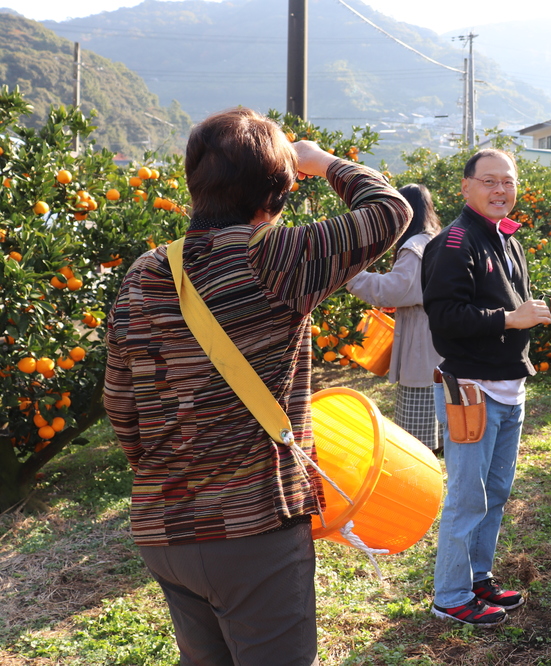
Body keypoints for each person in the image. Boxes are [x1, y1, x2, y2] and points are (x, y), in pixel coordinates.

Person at [103, 107, 411, 666]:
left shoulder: (144, 272)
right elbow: (390, 210)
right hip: (252, 528)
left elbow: (120, 405)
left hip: (164, 529)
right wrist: (323, 162)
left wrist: (169, 477)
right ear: (278, 190)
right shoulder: (275, 256)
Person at [421, 148, 551, 628]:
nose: (499, 190)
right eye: (488, 181)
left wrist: (542, 307)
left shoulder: (506, 239)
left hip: (509, 385)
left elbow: (507, 306)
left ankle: (477, 577)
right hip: (472, 388)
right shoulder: (453, 243)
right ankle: (449, 594)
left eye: (507, 182)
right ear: (466, 187)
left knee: (496, 490)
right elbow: (444, 318)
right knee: (468, 495)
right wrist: (511, 318)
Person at [346, 184, 444, 451]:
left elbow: (395, 292)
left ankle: (422, 472)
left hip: (422, 344)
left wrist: (350, 275)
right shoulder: (436, 239)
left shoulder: (414, 247)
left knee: (416, 435)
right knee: (439, 407)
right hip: (439, 340)